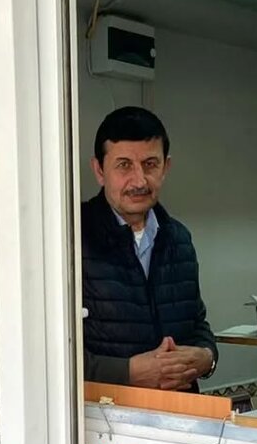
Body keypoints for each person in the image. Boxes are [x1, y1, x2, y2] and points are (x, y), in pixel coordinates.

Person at [81, 106, 217, 391]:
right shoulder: (69, 237)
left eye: (150, 164)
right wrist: (126, 373)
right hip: (102, 422)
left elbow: (197, 325)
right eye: (124, 165)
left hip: (177, 417)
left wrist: (206, 358)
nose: (140, 181)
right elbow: (43, 353)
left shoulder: (179, 239)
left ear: (166, 168)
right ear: (99, 170)